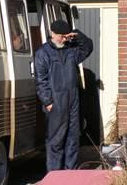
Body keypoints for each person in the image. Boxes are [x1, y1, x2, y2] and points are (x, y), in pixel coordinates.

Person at [35, 19, 93, 171]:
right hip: (56, 102)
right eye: (61, 36)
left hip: (73, 100)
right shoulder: (43, 53)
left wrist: (76, 35)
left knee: (73, 139)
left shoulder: (71, 50)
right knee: (56, 141)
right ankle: (54, 176)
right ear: (52, 34)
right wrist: (48, 102)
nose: (63, 39)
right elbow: (41, 80)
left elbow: (88, 47)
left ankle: (70, 173)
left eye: (65, 36)